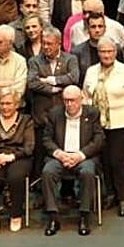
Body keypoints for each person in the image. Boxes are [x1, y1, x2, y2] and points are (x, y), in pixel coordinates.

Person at [82, 38, 124, 216]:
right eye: (103, 52)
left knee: (117, 161)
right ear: (98, 53)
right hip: (97, 124)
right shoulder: (91, 71)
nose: (106, 55)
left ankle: (123, 197)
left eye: (110, 52)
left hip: (120, 122)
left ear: (115, 53)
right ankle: (110, 195)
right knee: (104, 162)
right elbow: (85, 95)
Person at [40, 85, 104, 236]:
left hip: (83, 157)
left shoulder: (92, 113)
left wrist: (80, 155)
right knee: (47, 172)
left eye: (73, 100)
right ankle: (53, 216)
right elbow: (46, 139)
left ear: (81, 99)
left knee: (88, 172)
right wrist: (59, 154)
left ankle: (84, 215)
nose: (69, 104)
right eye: (66, 101)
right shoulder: (55, 113)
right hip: (60, 156)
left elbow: (99, 139)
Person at [0, 92, 34, 234]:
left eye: (8, 103)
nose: (5, 107)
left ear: (16, 105)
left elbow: (29, 148)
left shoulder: (26, 120)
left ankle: (16, 215)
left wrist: (12, 157)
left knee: (16, 176)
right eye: (2, 103)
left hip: (18, 157)